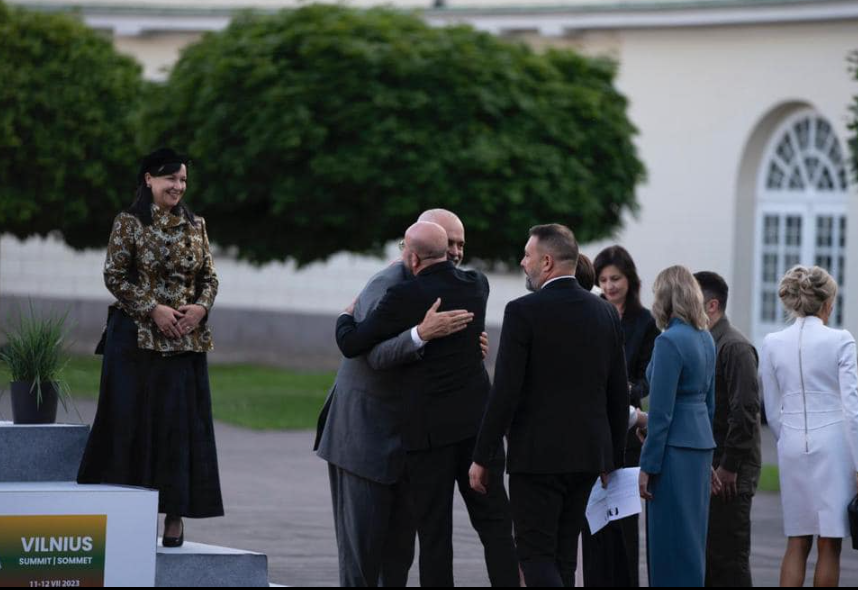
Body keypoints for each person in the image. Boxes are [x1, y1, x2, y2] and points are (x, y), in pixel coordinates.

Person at [336, 221, 518, 587]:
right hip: (475, 428)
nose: (457, 250)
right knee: (497, 525)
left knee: (435, 535)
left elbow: (353, 345)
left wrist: (346, 314)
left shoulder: (406, 296)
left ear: (413, 257)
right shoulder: (478, 284)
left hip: (429, 434)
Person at [469, 224, 629, 587]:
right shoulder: (605, 313)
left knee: (535, 556)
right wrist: (612, 459)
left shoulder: (523, 312)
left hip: (537, 458)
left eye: (527, 256)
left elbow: (505, 392)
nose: (522, 262)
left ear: (546, 261)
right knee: (563, 557)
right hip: (588, 457)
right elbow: (617, 394)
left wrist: (482, 456)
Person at [77, 148, 222, 547]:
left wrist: (200, 308)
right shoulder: (129, 223)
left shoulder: (197, 225)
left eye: (183, 181)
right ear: (148, 180)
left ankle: (174, 518)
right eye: (170, 179)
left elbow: (209, 277)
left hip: (184, 343)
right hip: (135, 344)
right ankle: (128, 517)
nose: (177, 187)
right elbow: (114, 275)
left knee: (178, 431)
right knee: (132, 427)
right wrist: (152, 308)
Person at [760, 265, 858, 587]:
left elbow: (772, 411)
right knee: (830, 543)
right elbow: (853, 411)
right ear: (827, 302)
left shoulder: (772, 342)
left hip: (790, 443)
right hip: (834, 445)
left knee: (796, 539)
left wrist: (787, 440)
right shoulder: (841, 340)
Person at [579, 246, 659, 586]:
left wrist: (624, 388)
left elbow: (647, 379)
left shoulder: (645, 322)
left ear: (630, 280)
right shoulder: (590, 313)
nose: (610, 286)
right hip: (593, 430)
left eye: (616, 279)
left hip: (626, 431)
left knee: (624, 526)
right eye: (604, 280)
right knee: (594, 524)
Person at [638, 265, 717, 587]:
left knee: (668, 541)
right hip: (699, 447)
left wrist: (648, 464)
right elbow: (710, 403)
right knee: (692, 541)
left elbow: (661, 413)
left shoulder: (668, 341)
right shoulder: (706, 338)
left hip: (672, 450)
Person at [694, 271, 762, 587]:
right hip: (716, 467)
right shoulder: (709, 342)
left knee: (730, 560)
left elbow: (746, 412)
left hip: (730, 472)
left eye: (691, 300)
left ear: (712, 305)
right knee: (712, 556)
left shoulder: (734, 347)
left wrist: (728, 467)